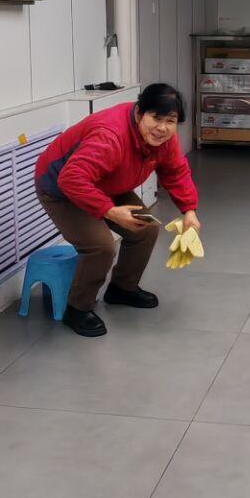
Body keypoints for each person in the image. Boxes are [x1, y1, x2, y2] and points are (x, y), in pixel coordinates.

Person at [33, 82, 203, 338]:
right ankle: (77, 309)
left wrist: (189, 210)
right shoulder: (111, 135)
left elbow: (175, 171)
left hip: (107, 183)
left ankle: (122, 289)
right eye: (156, 118)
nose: (163, 128)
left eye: (170, 121)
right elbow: (72, 179)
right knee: (101, 246)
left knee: (145, 229)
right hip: (61, 189)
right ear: (139, 113)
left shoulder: (164, 138)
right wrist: (110, 211)